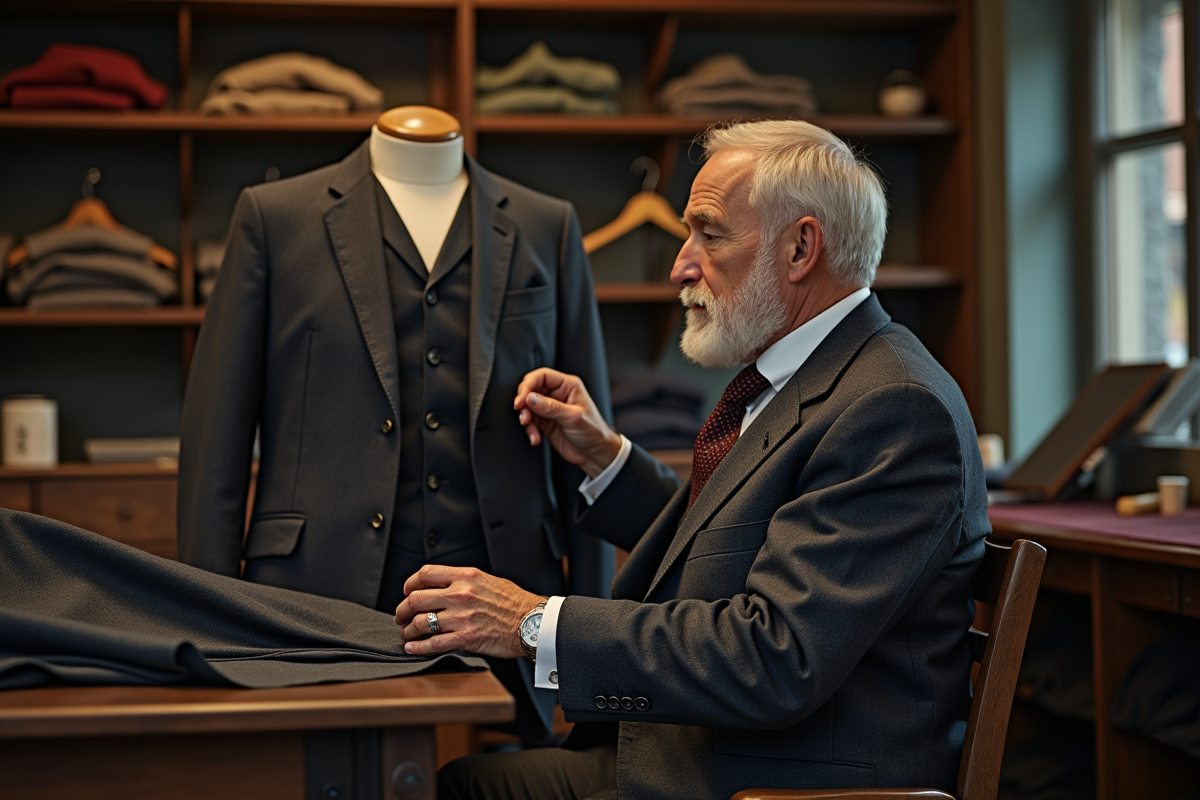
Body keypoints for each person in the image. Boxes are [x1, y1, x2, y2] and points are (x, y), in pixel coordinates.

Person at [394, 119, 991, 800]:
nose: (679, 263)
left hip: (779, 784)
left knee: (455, 785)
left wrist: (532, 622)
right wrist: (608, 459)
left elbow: (776, 658)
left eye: (709, 234)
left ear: (801, 248)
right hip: (728, 754)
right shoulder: (820, 375)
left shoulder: (896, 409)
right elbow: (738, 539)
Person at [176, 108, 613, 740]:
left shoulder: (547, 224)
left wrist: (586, 641)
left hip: (512, 587)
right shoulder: (276, 217)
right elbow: (217, 431)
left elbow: (585, 438)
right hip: (313, 593)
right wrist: (207, 625)